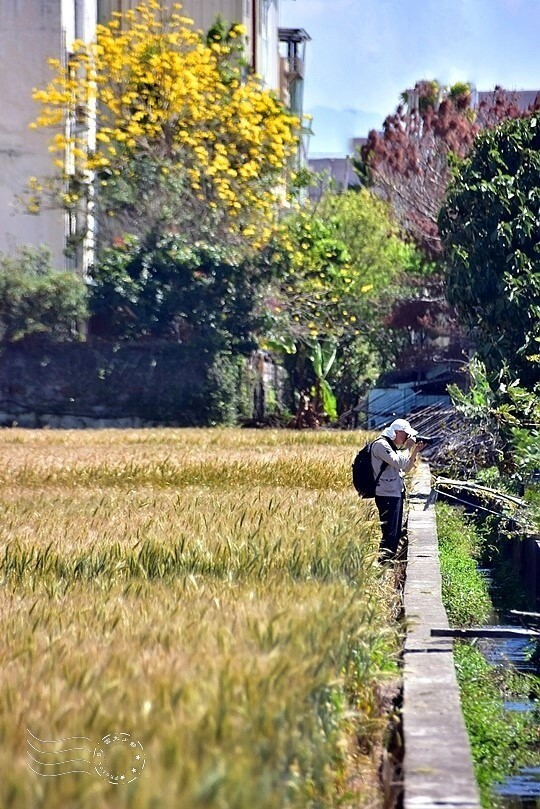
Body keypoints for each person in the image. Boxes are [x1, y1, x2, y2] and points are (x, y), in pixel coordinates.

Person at [371, 418, 425, 562]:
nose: (407, 437)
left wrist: (415, 451)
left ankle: (388, 563)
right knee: (389, 532)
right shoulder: (381, 445)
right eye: (405, 434)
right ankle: (384, 564)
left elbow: (405, 468)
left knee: (395, 533)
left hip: (395, 493)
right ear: (397, 432)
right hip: (386, 495)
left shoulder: (392, 447)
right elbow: (399, 462)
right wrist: (408, 447)